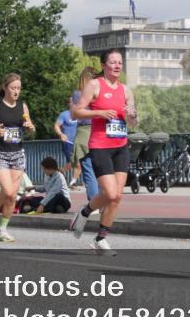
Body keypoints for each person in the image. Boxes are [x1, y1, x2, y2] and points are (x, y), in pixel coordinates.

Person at [69, 50, 138, 255]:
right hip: (100, 146)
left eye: (120, 62)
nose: (117, 66)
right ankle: (84, 212)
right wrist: (99, 112)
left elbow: (132, 121)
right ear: (104, 65)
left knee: (117, 197)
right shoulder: (95, 85)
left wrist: (133, 115)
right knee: (110, 193)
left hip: (120, 147)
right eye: (112, 62)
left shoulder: (126, 90)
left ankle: (100, 239)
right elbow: (76, 112)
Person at [0, 73, 36, 243]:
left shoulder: (22, 106)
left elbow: (30, 126)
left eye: (18, 88)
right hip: (0, 153)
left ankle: (2, 230)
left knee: (12, 196)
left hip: (18, 153)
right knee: (9, 191)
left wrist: (30, 127)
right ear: (5, 88)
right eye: (13, 88)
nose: (16, 91)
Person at [71, 67, 100, 200]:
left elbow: (73, 116)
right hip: (99, 131)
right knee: (100, 170)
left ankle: (93, 202)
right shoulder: (100, 93)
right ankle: (102, 201)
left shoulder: (77, 94)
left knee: (88, 170)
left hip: (83, 133)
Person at [54, 94, 81, 188]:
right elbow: (56, 126)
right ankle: (59, 172)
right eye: (71, 102)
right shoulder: (64, 114)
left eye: (74, 101)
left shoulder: (81, 114)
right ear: (68, 104)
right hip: (68, 142)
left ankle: (71, 181)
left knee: (79, 164)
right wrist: (61, 134)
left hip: (79, 142)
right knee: (75, 162)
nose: (73, 103)